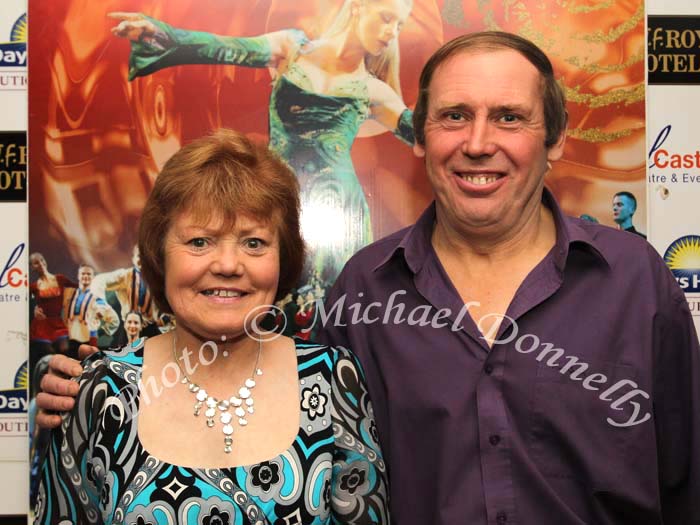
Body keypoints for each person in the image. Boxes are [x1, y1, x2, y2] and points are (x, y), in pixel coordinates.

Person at [37, 32, 700, 524]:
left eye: (509, 117)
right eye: (452, 116)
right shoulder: (363, 292)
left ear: (554, 138)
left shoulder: (637, 282)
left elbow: (686, 483)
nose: (476, 142)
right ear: (420, 138)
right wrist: (85, 383)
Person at [34, 129, 388, 524]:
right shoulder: (103, 390)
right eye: (200, 242)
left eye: (253, 243)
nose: (227, 264)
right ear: (158, 253)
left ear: (282, 257)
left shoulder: (333, 379)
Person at [108, 0, 415, 289]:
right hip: (275, 200)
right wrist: (159, 33)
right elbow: (221, 48)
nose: (392, 32)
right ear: (358, 6)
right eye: (387, 18)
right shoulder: (291, 48)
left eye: (399, 26)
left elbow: (429, 135)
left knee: (330, 307)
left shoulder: (376, 92)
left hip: (338, 202)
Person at [90, 244, 163, 341]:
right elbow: (99, 280)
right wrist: (100, 303)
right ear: (133, 258)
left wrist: (165, 319)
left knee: (156, 355)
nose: (142, 260)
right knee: (124, 354)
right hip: (128, 327)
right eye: (139, 256)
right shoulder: (124, 276)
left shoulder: (158, 279)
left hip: (150, 328)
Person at [28, 253, 77, 375]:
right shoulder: (33, 286)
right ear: (32, 267)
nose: (40, 263)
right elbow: (23, 302)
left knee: (64, 348)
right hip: (41, 326)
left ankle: (64, 377)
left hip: (57, 323)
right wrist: (34, 308)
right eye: (36, 262)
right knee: (48, 354)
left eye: (41, 260)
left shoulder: (60, 279)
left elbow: (78, 288)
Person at [63, 263, 119, 358]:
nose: (85, 276)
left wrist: (101, 331)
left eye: (89, 274)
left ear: (93, 277)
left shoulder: (97, 297)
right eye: (83, 273)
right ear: (78, 275)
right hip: (69, 339)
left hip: (88, 340)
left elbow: (114, 320)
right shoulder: (69, 293)